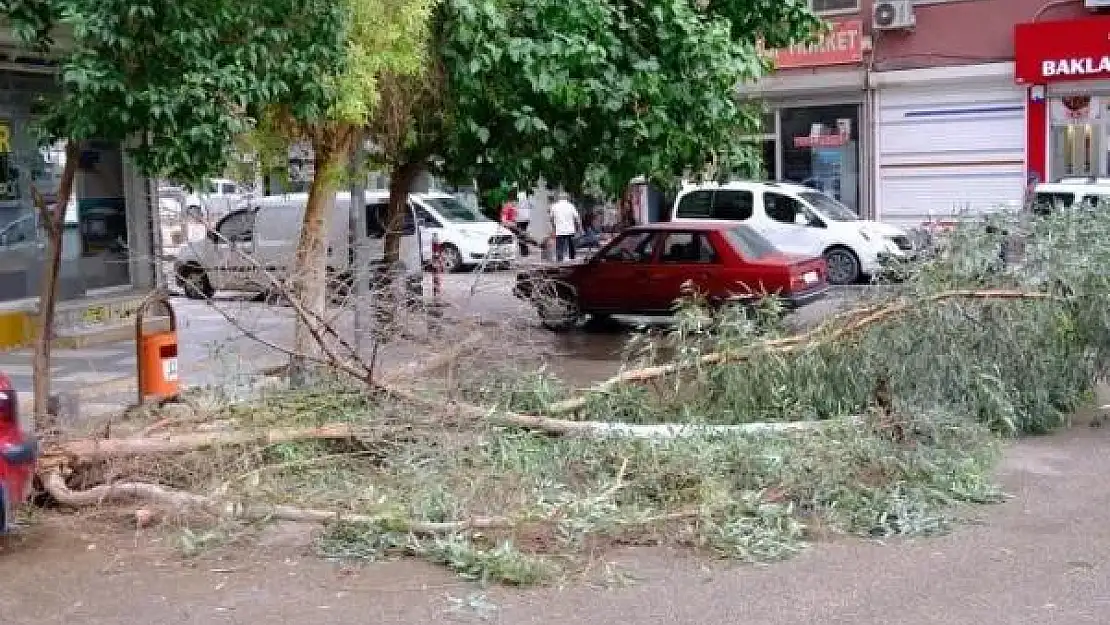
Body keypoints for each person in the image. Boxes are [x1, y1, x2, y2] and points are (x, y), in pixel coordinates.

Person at [550, 191, 581, 262]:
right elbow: (577, 218)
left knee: (560, 247)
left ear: (558, 198)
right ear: (567, 198)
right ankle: (573, 260)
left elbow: (551, 218)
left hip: (559, 230)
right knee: (572, 247)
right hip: (570, 230)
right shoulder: (571, 206)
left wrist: (553, 227)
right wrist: (579, 228)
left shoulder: (554, 206)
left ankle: (560, 261)